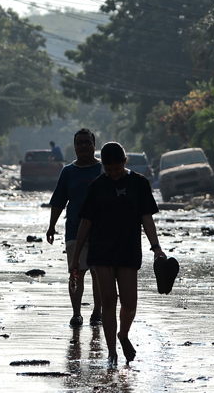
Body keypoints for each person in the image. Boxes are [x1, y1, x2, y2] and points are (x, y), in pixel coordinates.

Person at [71, 141, 166, 367]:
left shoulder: (139, 183)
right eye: (108, 169)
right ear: (102, 165)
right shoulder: (96, 187)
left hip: (128, 248)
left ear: (125, 161)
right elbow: (86, 223)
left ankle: (123, 335)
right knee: (108, 302)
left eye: (117, 168)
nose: (113, 173)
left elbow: (147, 218)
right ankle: (112, 353)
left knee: (130, 303)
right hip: (101, 250)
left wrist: (157, 248)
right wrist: (75, 258)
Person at [46, 129, 103, 327]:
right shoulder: (68, 171)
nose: (84, 146)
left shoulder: (104, 170)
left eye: (88, 142)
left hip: (100, 232)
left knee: (98, 273)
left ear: (94, 145)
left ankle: (97, 312)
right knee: (75, 272)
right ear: (74, 147)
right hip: (73, 229)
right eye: (80, 143)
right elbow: (59, 201)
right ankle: (76, 313)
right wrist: (52, 226)